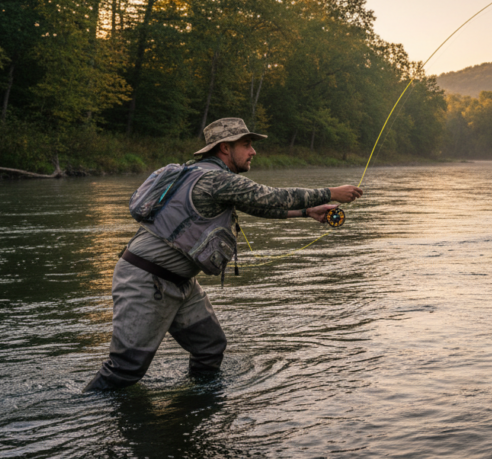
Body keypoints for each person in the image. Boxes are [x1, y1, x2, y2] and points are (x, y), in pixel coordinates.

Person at [84, 118, 362, 391]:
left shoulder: (202, 175)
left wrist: (306, 211)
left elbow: (259, 206)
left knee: (209, 348)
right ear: (225, 148)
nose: (253, 151)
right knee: (125, 369)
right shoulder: (215, 179)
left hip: (181, 283)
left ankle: (195, 409)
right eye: (246, 144)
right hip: (146, 280)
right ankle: (85, 418)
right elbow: (272, 196)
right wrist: (331, 192)